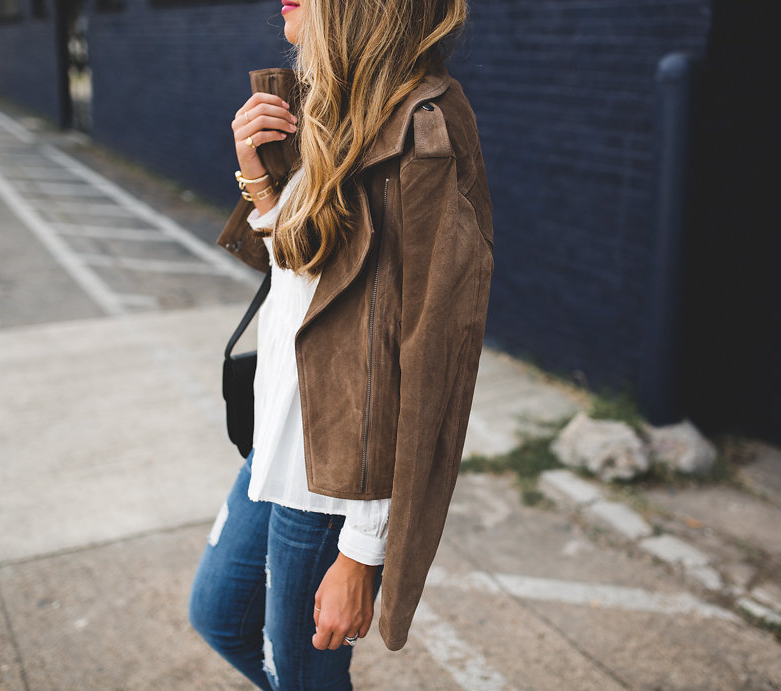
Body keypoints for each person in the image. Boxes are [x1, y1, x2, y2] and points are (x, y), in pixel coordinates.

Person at [188, 0, 493, 686]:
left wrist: (361, 549)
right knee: (219, 615)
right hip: (280, 443)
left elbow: (423, 359)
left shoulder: (423, 130)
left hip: (335, 482)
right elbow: (308, 270)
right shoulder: (328, 106)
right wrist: (258, 179)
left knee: (304, 675)